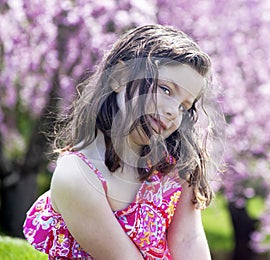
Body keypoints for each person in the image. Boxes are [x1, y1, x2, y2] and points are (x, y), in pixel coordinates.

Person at [23, 24, 220, 259]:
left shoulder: (173, 166)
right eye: (166, 90)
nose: (173, 112)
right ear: (119, 77)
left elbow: (189, 240)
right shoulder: (78, 175)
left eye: (183, 106)